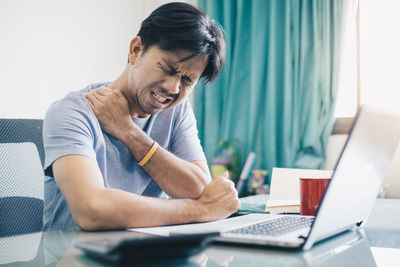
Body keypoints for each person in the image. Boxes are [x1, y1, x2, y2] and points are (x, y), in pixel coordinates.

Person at [42, 2, 240, 231]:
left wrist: (128, 131)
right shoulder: (73, 111)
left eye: (187, 80)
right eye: (168, 68)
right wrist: (201, 210)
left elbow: (199, 188)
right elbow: (92, 211)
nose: (173, 88)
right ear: (136, 50)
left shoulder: (177, 111)